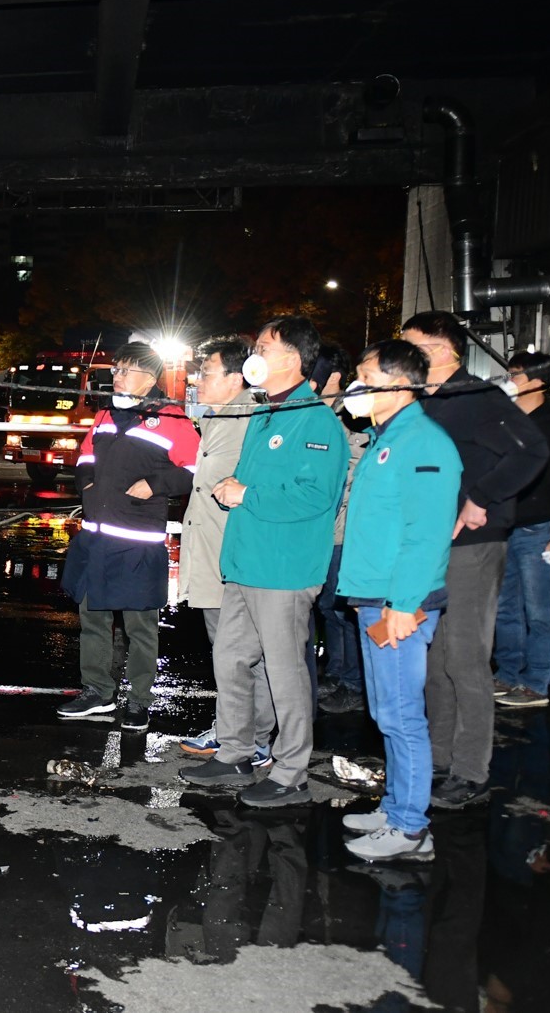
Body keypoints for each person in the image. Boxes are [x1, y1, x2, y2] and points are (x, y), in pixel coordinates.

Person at [179, 316, 347, 807]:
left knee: (284, 670)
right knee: (230, 658)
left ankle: (292, 769)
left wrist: (246, 492)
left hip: (284, 569)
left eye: (265, 346)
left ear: (293, 359)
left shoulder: (314, 420)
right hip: (246, 564)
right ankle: (234, 751)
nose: (256, 353)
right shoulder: (265, 415)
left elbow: (316, 496)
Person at [399, 312, 547, 808]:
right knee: (435, 659)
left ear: (442, 350)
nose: (403, 351)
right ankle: (438, 759)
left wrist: (481, 498)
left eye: (411, 344)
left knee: (465, 657)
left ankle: (471, 769)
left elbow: (532, 452)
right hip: (431, 545)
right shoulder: (424, 401)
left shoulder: (477, 396)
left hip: (473, 546)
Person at [334, 340, 463, 862]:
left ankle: (411, 829)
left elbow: (426, 534)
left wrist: (405, 603)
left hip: (398, 602)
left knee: (403, 714)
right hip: (376, 597)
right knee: (387, 711)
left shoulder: (423, 443)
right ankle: (395, 807)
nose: (354, 387)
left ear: (398, 382)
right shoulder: (386, 438)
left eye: (364, 376)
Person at [56, 341, 201, 731]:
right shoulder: (105, 414)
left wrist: (155, 484)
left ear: (149, 378)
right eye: (117, 369)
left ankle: (139, 701)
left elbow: (192, 470)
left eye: (124, 370)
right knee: (94, 620)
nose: (116, 376)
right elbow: (85, 456)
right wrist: (85, 481)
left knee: (140, 627)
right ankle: (97, 692)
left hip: (137, 543)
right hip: (95, 540)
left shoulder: (172, 418)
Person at [176, 335, 275, 768]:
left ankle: (255, 737)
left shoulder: (252, 419)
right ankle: (237, 730)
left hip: (234, 560)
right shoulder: (219, 418)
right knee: (230, 652)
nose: (199, 379)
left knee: (246, 655)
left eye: (208, 372)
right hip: (214, 557)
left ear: (236, 378)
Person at [493, 351, 550, 709]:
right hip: (502, 529)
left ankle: (536, 682)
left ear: (538, 381)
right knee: (505, 609)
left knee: (540, 610)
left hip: (539, 532)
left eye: (514, 374)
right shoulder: (504, 422)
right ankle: (507, 674)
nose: (509, 379)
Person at [312, 346, 374, 715]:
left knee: (343, 607)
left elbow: (353, 470)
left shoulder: (354, 415)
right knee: (327, 605)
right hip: (326, 526)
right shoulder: (325, 413)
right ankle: (337, 671)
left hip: (346, 527)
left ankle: (353, 682)